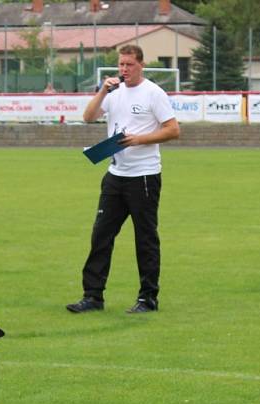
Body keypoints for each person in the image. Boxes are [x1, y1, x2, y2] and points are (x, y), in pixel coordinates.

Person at [66, 45, 180, 314]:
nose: (124, 70)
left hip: (144, 177)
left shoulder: (154, 93)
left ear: (140, 65)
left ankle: (147, 298)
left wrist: (139, 139)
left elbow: (173, 130)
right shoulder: (114, 93)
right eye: (120, 65)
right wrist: (103, 90)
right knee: (101, 236)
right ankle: (93, 297)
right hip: (115, 176)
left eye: (129, 65)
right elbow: (88, 117)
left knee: (145, 238)